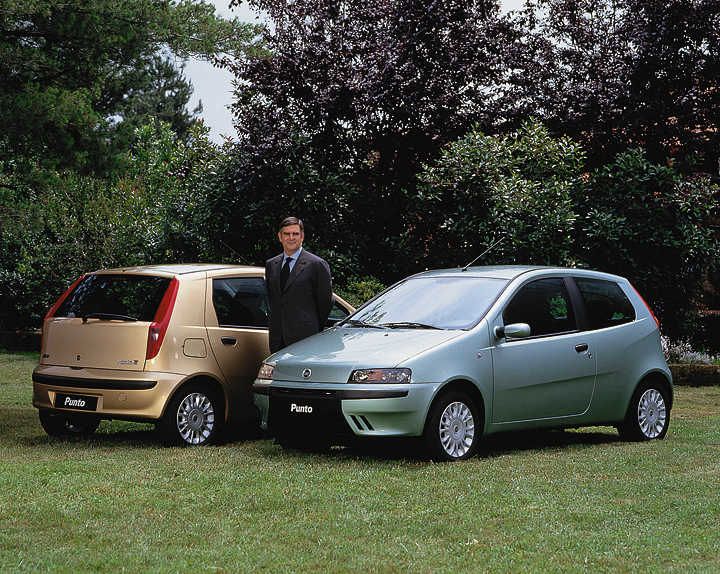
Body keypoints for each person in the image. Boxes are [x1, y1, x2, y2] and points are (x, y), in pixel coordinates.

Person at [265, 216, 333, 353]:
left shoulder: (317, 264)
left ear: (302, 236)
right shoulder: (271, 264)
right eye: (287, 234)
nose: (291, 238)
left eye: (295, 234)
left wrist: (311, 326)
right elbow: (272, 299)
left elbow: (325, 302)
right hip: (277, 339)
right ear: (280, 237)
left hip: (305, 339)